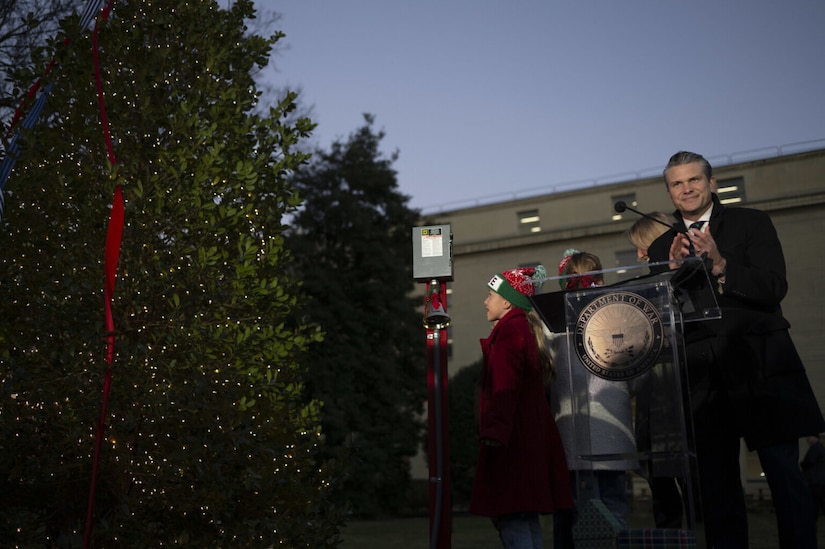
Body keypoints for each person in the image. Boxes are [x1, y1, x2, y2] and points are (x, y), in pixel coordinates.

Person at [647, 150, 825, 548]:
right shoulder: (662, 247)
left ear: (711, 183)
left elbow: (774, 287)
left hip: (761, 368)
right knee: (717, 487)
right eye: (677, 183)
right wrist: (671, 278)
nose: (686, 189)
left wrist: (721, 263)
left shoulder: (752, 222)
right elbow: (662, 317)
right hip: (703, 379)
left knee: (784, 475)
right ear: (670, 192)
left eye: (694, 180)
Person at [470, 265, 574, 549]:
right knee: (524, 516)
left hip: (513, 441)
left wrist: (494, 429)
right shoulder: (522, 329)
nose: (485, 301)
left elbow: (504, 387)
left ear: (507, 301)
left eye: (490, 294)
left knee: (512, 515)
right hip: (526, 437)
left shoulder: (509, 332)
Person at [549, 250, 637, 548]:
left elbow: (546, 372)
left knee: (579, 514)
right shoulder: (618, 312)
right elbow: (639, 367)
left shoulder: (555, 317)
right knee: (614, 509)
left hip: (575, 431)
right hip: (614, 428)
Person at [801, 435, 825, 521]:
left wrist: (803, 464)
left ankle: (813, 518)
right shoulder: (820, 447)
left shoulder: (815, 448)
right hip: (819, 479)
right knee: (820, 500)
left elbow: (810, 461)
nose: (807, 439)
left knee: (815, 501)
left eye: (809, 437)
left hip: (815, 479)